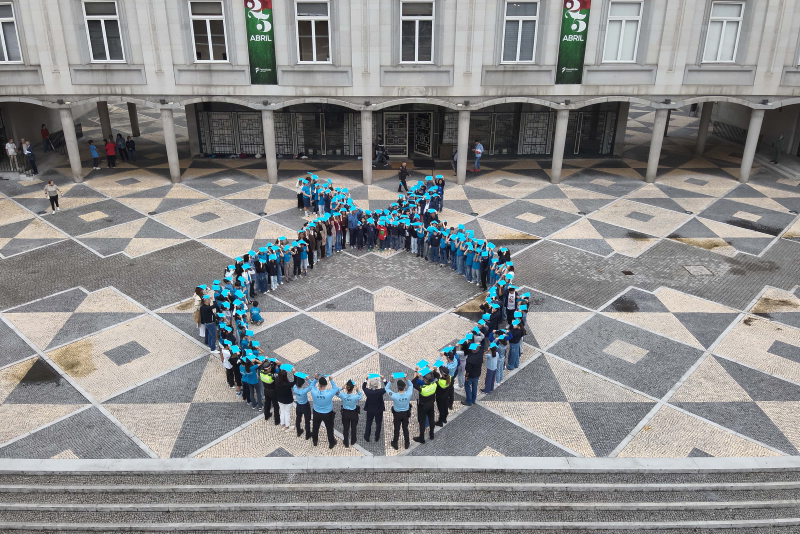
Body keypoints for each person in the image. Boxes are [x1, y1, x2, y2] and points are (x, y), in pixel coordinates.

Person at [311, 375, 340, 448]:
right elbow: (335, 388)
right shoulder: (329, 393)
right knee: (329, 428)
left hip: (316, 412)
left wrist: (315, 379)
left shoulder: (313, 391)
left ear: (319, 384)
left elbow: (311, 385)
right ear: (326, 385)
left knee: (315, 427)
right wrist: (331, 380)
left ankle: (315, 441)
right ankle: (331, 442)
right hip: (327, 413)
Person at [386, 376, 413, 450]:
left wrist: (391, 381)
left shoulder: (394, 396)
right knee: (405, 428)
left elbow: (387, 389)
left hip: (397, 414)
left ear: (397, 387)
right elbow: (411, 385)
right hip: (405, 414)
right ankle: (407, 443)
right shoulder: (409, 394)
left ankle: (395, 443)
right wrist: (407, 379)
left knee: (396, 429)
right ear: (404, 387)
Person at [411, 369, 438, 444]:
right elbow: (436, 377)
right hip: (431, 404)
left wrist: (416, 374)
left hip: (423, 406)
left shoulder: (422, 388)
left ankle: (421, 438)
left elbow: (412, 383)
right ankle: (432, 434)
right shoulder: (434, 384)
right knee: (431, 419)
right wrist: (432, 371)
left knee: (422, 422)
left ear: (424, 380)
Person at [337, 380, 363, 448]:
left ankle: (346, 442)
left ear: (346, 388)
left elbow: (336, 393)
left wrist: (341, 388)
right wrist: (358, 390)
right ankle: (353, 441)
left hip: (345, 413)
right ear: (352, 388)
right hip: (353, 413)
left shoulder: (342, 395)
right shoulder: (355, 397)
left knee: (346, 428)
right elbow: (361, 396)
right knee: (353, 428)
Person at [362, 375, 386, 443]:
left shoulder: (368, 391)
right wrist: (384, 379)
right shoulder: (380, 392)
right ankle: (377, 436)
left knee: (368, 423)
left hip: (370, 410)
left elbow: (363, 387)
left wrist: (365, 380)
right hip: (378, 410)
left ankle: (367, 436)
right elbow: (387, 387)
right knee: (378, 423)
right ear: (377, 386)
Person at [293, 373, 314, 438]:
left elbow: (295, 382)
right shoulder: (304, 391)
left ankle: (298, 431)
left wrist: (295, 375)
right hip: (305, 406)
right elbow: (312, 385)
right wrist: (308, 379)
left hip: (298, 405)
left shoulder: (294, 388)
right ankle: (308, 434)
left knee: (298, 418)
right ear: (302, 384)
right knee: (307, 420)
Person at [259, 360, 279, 424]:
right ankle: (277, 420)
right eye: (270, 368)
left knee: (267, 404)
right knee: (276, 406)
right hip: (273, 392)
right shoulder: (271, 376)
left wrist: (265, 361)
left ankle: (266, 416)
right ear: (268, 369)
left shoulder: (261, 372)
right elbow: (277, 377)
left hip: (266, 390)